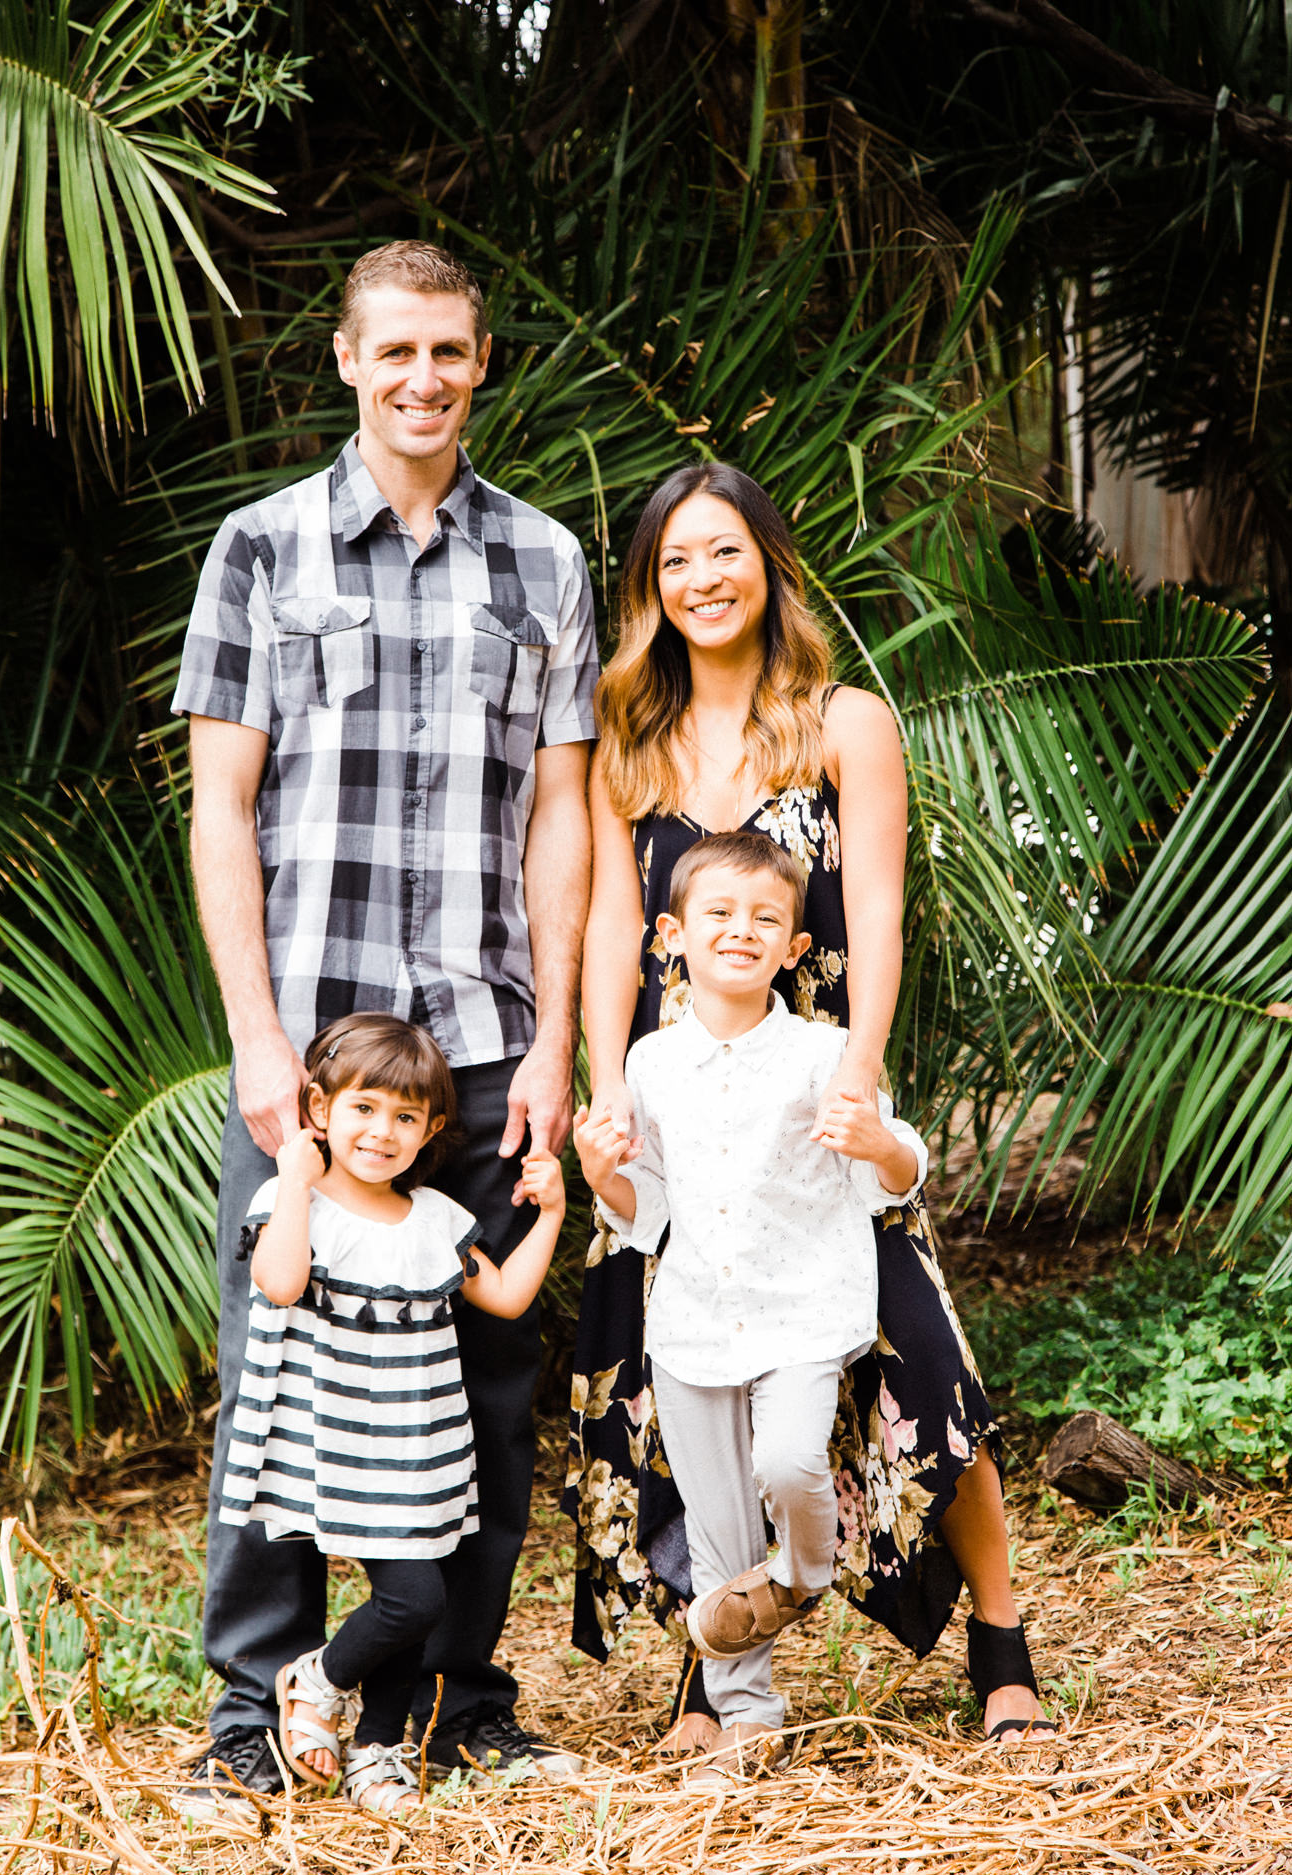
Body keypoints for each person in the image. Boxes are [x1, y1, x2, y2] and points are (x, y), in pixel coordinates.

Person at [174, 239, 598, 1802]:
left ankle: (453, 1704)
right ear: (346, 362)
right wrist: (254, 1033)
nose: (424, 376)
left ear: (481, 366)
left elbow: (560, 817)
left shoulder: (544, 560)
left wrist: (553, 1033)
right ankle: (249, 1718)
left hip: (483, 1044)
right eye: (395, 350)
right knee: (272, 1364)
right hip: (316, 1056)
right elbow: (223, 808)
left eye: (451, 352)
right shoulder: (261, 547)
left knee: (485, 1392)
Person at [565, 462, 1057, 1759]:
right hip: (681, 1102)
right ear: (648, 590)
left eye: (723, 552)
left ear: (769, 565)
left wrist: (864, 1064)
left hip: (813, 1085)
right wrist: (600, 1082)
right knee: (678, 1386)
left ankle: (1000, 1637)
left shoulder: (845, 720)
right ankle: (713, 1655)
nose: (701, 581)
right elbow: (612, 926)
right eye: (673, 562)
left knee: (919, 1364)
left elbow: (881, 907)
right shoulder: (631, 739)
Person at [573, 832, 929, 1779]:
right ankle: (747, 1718)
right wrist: (601, 1175)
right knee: (718, 1527)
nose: (742, 931)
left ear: (795, 948)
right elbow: (643, 1212)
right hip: (691, 1322)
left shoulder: (825, 1052)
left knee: (786, 1459)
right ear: (672, 934)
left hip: (805, 1309)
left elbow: (895, 1178)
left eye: (766, 919)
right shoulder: (647, 1065)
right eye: (719, 915)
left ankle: (805, 1573)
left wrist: (879, 1141)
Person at [217, 1012, 566, 1812]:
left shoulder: (436, 1219)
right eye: (363, 1109)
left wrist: (548, 1214)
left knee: (421, 1592)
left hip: (419, 1444)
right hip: (337, 1444)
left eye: (405, 1117)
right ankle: (322, 1676)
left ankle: (378, 1750)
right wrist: (297, 1178)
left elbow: (507, 1296)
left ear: (432, 1129)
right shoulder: (292, 1198)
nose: (382, 1131)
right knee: (416, 1599)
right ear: (319, 1110)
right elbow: (278, 1279)